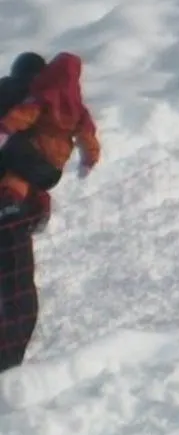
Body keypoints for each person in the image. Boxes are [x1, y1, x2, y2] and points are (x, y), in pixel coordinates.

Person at [0, 51, 51, 373]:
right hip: (10, 212)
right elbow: (42, 169)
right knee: (18, 293)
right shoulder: (32, 109)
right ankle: (7, 370)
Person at [0, 52, 99, 217]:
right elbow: (88, 137)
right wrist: (89, 160)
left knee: (13, 169)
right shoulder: (79, 109)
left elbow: (26, 114)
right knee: (26, 178)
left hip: (33, 151)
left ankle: (9, 201)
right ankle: (38, 205)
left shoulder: (44, 95)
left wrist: (5, 128)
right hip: (54, 168)